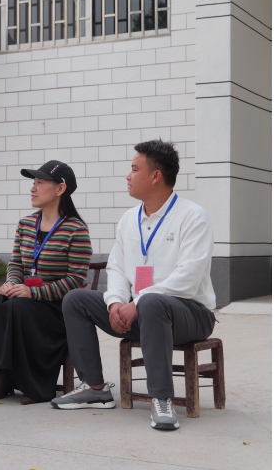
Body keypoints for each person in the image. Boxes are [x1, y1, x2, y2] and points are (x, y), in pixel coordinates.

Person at [51, 140, 217, 431]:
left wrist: (137, 302)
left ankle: (161, 398)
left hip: (190, 315)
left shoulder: (193, 216)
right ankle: (95, 388)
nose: (128, 176)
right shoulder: (129, 219)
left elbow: (188, 278)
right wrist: (115, 302)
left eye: (134, 169)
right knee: (76, 299)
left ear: (155, 176)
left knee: (151, 302)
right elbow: (116, 267)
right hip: (140, 313)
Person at [0, 161, 92, 405]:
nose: (33, 188)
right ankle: (1, 377)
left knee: (18, 306)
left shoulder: (75, 229)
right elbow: (16, 263)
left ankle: (34, 386)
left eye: (40, 183)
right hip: (27, 301)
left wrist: (34, 293)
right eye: (33, 183)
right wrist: (11, 283)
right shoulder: (26, 224)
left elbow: (76, 280)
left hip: (57, 309)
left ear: (60, 189)